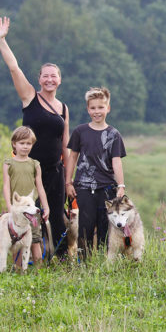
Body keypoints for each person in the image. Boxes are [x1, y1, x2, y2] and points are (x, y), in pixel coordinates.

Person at [0, 16, 69, 256]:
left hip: (55, 171)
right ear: (39, 79)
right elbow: (14, 67)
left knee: (56, 215)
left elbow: (65, 144)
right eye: (45, 76)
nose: (49, 79)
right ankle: (23, 260)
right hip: (28, 169)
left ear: (59, 79)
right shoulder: (29, 97)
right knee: (25, 215)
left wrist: (68, 179)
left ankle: (58, 260)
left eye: (53, 76)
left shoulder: (64, 108)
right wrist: (2, 40)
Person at [64, 87, 126, 257]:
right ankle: (83, 262)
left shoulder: (114, 134)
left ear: (108, 108)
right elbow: (73, 157)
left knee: (105, 227)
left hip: (107, 188)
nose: (97, 111)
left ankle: (102, 261)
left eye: (100, 107)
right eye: (93, 108)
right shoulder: (80, 132)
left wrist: (121, 185)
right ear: (87, 109)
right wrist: (68, 182)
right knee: (86, 226)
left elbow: (116, 161)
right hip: (83, 187)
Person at [3, 126, 50, 268]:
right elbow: (6, 186)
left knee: (35, 240)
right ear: (14, 144)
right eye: (22, 143)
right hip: (16, 209)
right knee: (15, 240)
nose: (25, 147)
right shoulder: (8, 163)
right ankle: (17, 271)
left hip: (31, 209)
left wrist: (46, 206)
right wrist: (9, 205)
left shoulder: (35, 164)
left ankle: (38, 271)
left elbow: (40, 187)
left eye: (28, 143)